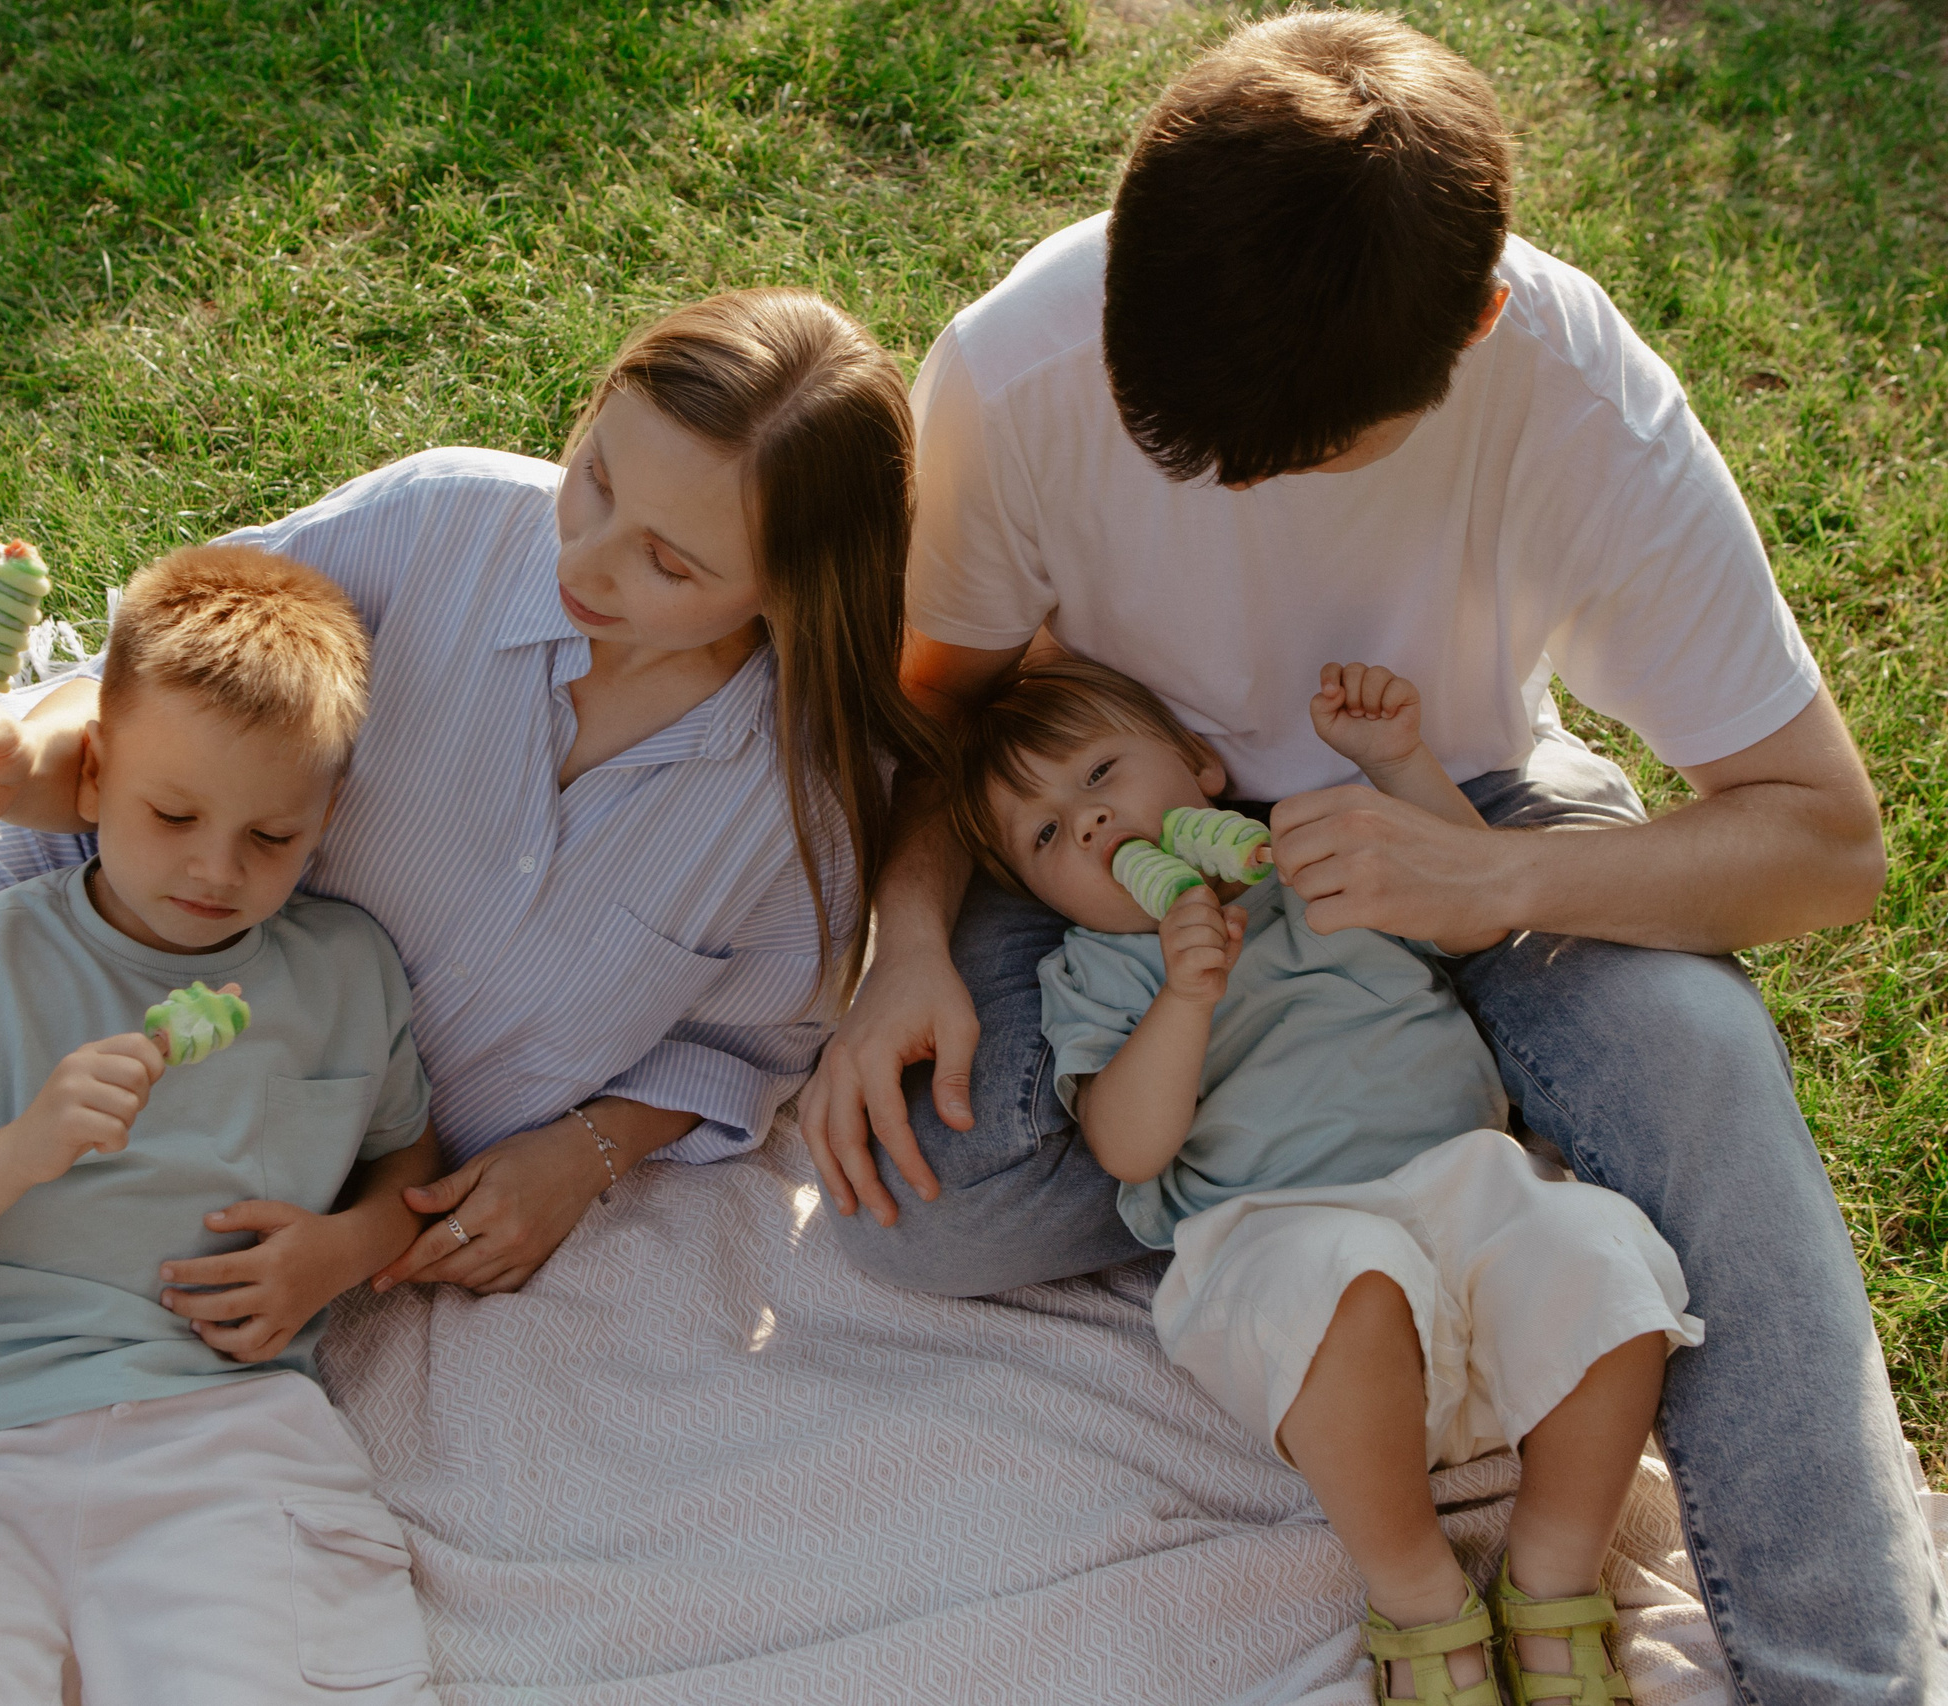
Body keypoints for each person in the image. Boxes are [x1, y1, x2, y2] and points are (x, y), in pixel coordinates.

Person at [0, 287, 936, 1673]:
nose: (586, 557)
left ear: (791, 591)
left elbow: (752, 1032)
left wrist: (582, 1151)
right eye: (595, 476)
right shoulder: (444, 525)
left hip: (155, 1176)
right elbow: (153, 713)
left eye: (669, 558)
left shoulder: (798, 800)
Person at [799, 11, 1940, 1695]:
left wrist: (1499, 881)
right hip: (1112, 844)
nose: (1240, 494)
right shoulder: (1027, 360)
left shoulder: (1572, 393)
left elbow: (1829, 843)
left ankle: (1848, 1673)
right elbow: (934, 724)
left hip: (1464, 808)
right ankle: (1381, 1141)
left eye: (1304, 461)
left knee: (1701, 1084)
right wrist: (907, 940)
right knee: (925, 1201)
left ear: (1475, 327)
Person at [955, 653, 1698, 1703]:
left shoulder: (1318, 864)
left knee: (1606, 1256)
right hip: (1274, 1228)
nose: (1083, 822)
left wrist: (1396, 763)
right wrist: (1182, 999)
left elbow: (1472, 917)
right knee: (1345, 1279)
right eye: (1043, 834)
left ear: (1201, 766)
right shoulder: (1096, 969)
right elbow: (1127, 1145)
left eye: (1099, 774)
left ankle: (1553, 1568)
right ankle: (1419, 1592)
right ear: (1037, 893)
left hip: (1464, 1181)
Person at [0, 546, 437, 1703]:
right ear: (90, 776)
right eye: (173, 811)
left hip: (229, 1440)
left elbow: (407, 1154)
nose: (214, 868)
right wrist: (20, 1148)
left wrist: (345, 1247)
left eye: (272, 837)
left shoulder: (351, 973)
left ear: (328, 815)